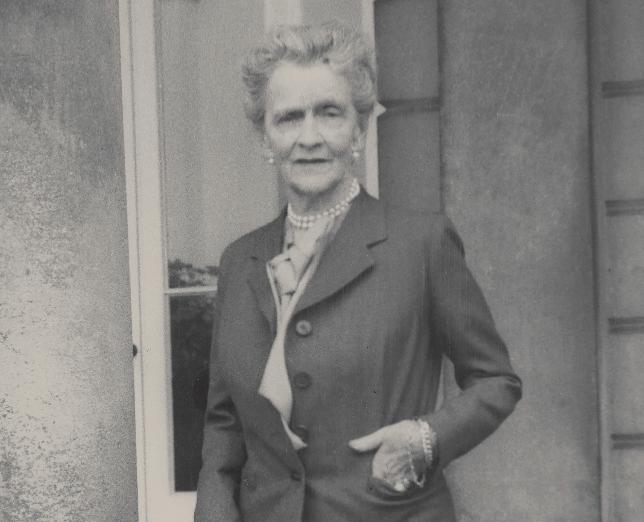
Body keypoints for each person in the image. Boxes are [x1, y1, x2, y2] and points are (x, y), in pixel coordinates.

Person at [195, 21, 521, 522]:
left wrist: (426, 438)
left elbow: (495, 379)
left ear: (359, 129)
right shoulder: (240, 261)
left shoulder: (422, 244)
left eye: (329, 113)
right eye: (288, 118)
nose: (309, 137)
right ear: (265, 136)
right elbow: (225, 426)